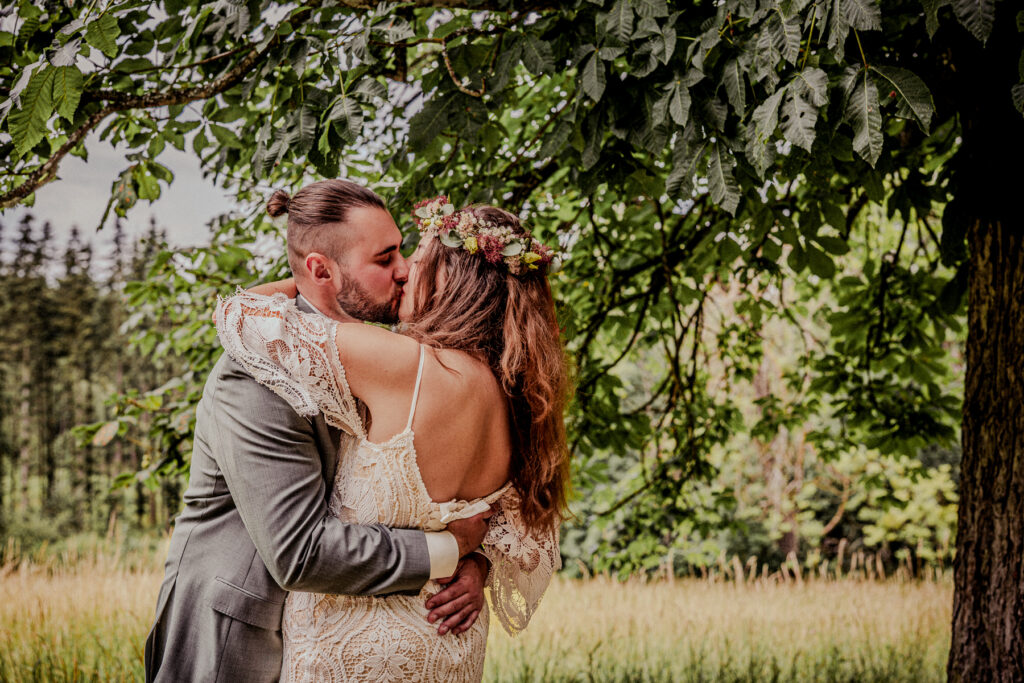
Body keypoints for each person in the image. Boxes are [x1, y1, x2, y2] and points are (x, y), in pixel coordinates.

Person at [144, 180, 493, 683]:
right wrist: (448, 550)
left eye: (400, 251)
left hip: (338, 634)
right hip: (239, 636)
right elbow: (299, 551)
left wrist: (476, 563)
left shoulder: (379, 362)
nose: (404, 270)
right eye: (384, 258)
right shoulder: (257, 373)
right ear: (321, 270)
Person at [216, 193, 569, 681]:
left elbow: (242, 315)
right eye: (393, 260)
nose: (402, 272)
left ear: (449, 281)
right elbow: (526, 534)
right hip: (449, 647)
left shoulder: (401, 364)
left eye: (416, 262)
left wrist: (312, 274)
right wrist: (477, 562)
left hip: (354, 652)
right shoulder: (518, 398)